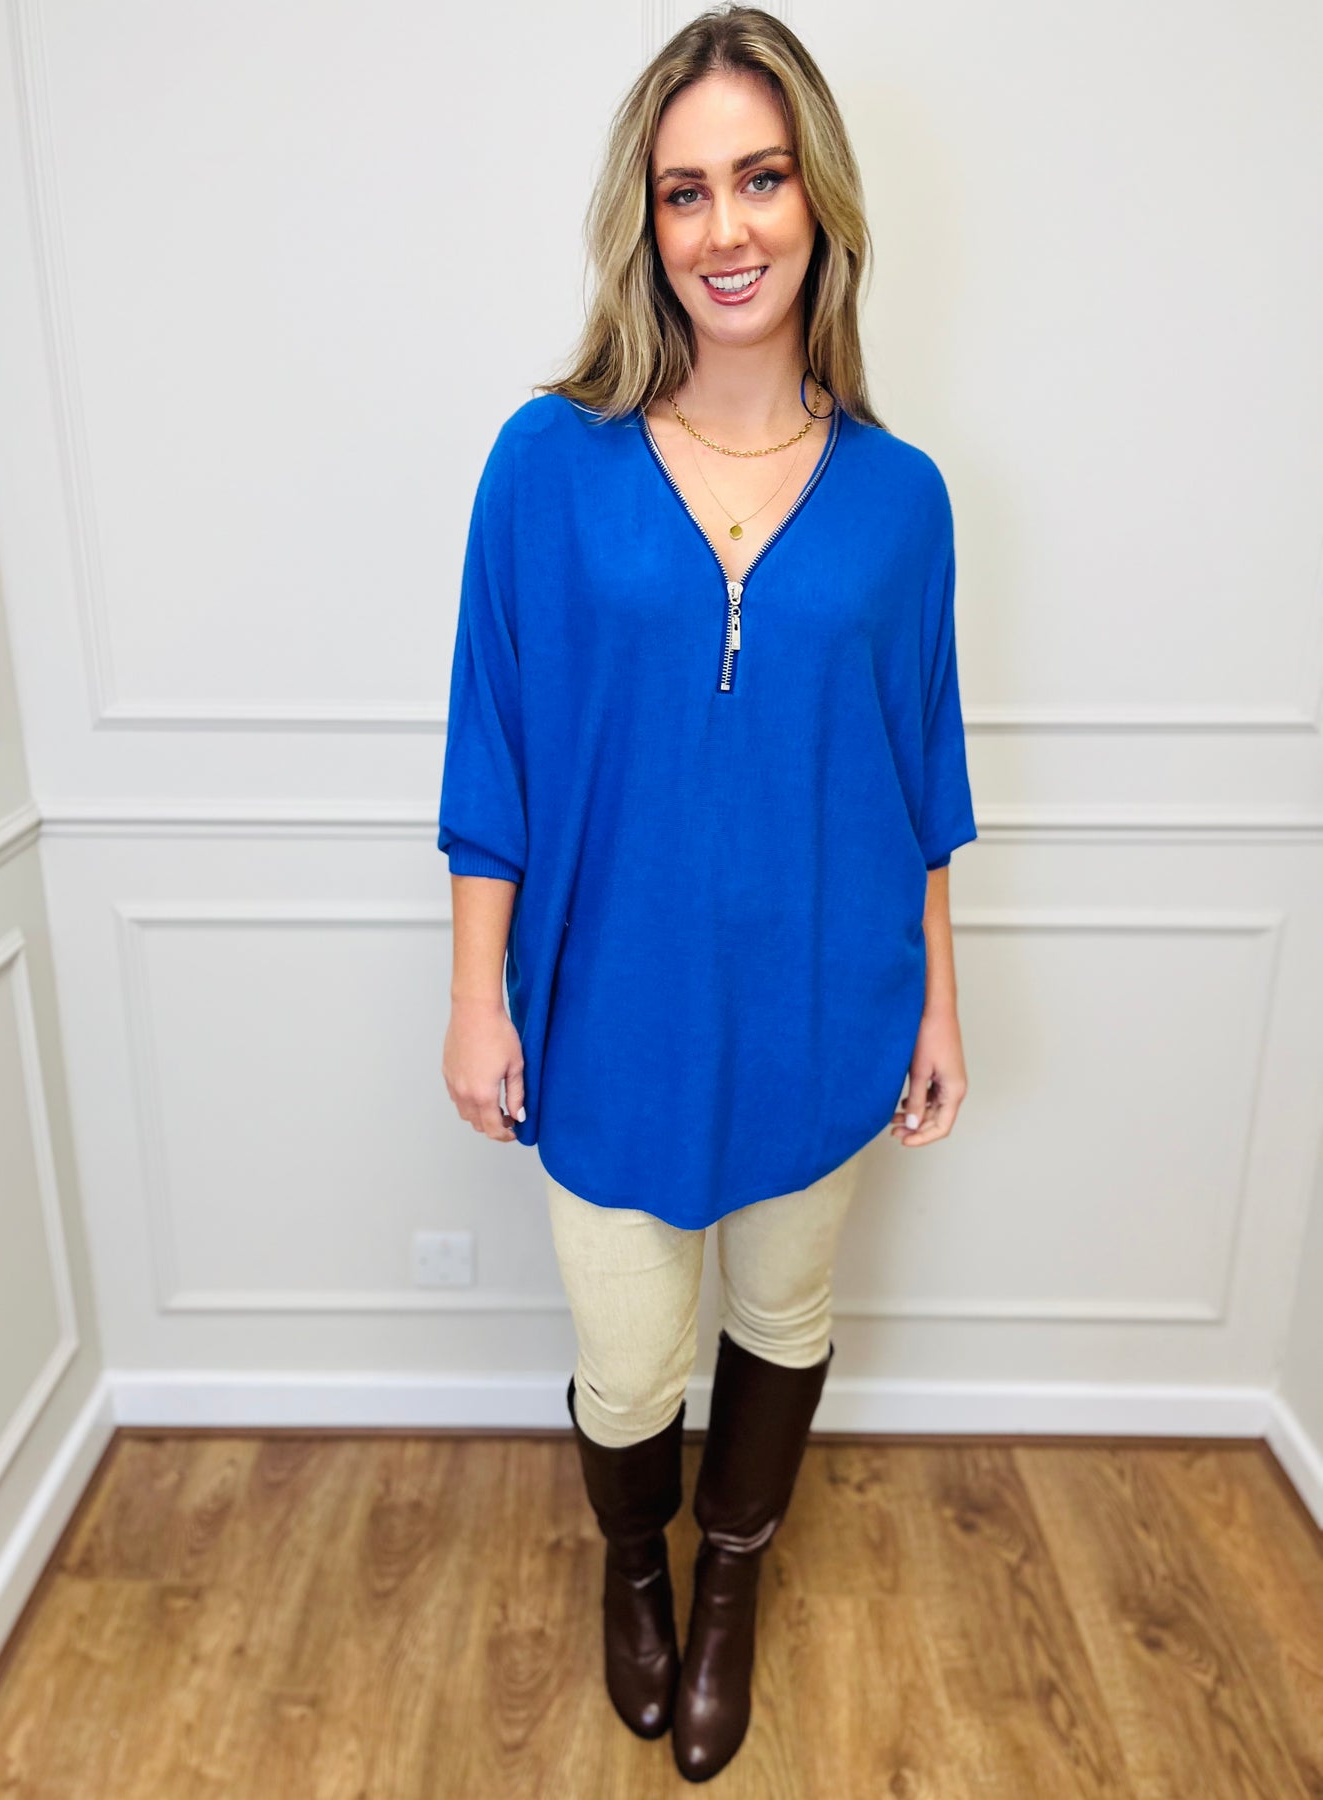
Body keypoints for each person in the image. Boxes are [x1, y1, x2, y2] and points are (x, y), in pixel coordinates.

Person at [437, 4, 976, 1782]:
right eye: (686, 191)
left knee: (783, 1319)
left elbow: (920, 770)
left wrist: (939, 1000)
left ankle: (730, 1577)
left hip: (828, 1002)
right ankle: (633, 1566)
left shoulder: (902, 500)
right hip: (607, 1012)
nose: (726, 227)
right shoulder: (548, 463)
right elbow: (493, 751)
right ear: (646, 221)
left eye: (760, 179)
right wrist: (477, 998)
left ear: (819, 203)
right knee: (625, 1358)